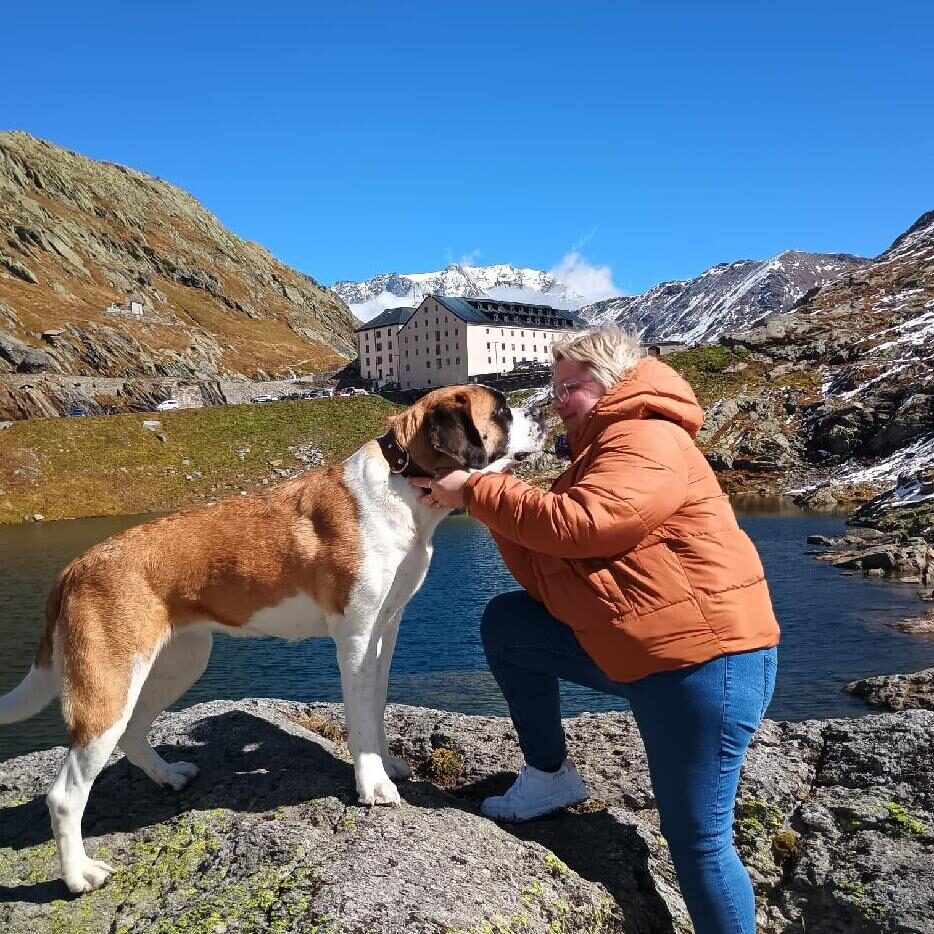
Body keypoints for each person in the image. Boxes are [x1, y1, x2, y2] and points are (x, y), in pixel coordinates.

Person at [411, 326, 780, 934]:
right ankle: (549, 778)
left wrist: (478, 490)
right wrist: (483, 495)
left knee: (699, 840)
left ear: (613, 381)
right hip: (645, 652)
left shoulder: (646, 436)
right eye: (555, 388)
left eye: (570, 387)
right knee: (510, 624)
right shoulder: (603, 449)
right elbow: (553, 572)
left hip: (704, 664)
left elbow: (587, 525)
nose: (558, 401)